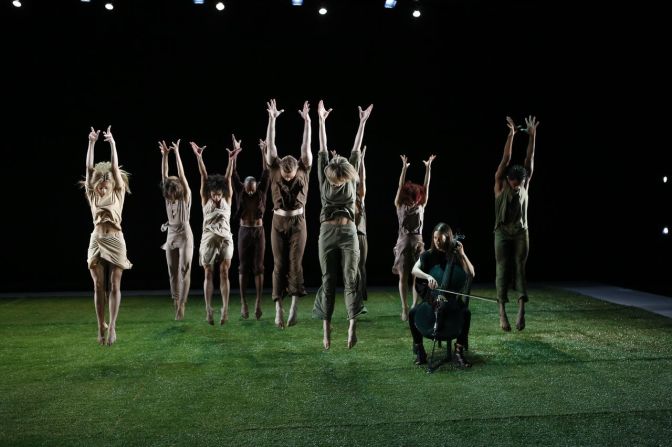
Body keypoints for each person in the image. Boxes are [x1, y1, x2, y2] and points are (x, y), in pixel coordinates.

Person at [312, 100, 373, 349]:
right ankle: (326, 330)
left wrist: (362, 122)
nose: (337, 183)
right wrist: (321, 120)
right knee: (328, 280)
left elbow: (356, 149)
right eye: (334, 181)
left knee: (351, 279)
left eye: (340, 181)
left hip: (349, 232)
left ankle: (352, 326)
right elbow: (322, 148)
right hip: (327, 232)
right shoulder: (324, 174)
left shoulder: (350, 176)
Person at [82, 126, 132, 345]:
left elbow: (114, 166)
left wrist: (112, 142)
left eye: (106, 183)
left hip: (116, 239)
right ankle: (100, 326)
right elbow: (88, 168)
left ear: (112, 182)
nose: (103, 187)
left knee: (115, 283)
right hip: (97, 239)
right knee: (98, 285)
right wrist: (91, 142)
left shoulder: (118, 193)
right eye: (99, 184)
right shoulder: (92, 195)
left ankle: (112, 327)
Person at [264, 99, 312, 329]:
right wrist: (272, 119)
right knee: (279, 264)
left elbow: (306, 146)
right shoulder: (275, 166)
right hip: (278, 220)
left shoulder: (303, 167)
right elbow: (271, 145)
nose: (288, 178)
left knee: (295, 263)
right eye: (285, 176)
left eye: (290, 176)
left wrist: (307, 122)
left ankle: (293, 306)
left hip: (298, 221)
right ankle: (278, 309)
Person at [494, 115, 539, 332]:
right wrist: (511, 135)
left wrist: (532, 136)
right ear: (508, 181)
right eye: (514, 184)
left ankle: (521, 312)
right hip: (502, 231)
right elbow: (506, 158)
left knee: (520, 268)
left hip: (521, 231)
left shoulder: (524, 182)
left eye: (519, 185)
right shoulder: (500, 184)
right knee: (502, 269)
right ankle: (502, 313)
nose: (516, 187)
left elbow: (529, 158)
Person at [410, 222, 475, 366]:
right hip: (432, 298)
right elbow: (414, 270)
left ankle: (458, 351)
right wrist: (428, 276)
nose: (437, 242)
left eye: (440, 239)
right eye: (435, 238)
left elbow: (471, 273)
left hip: (451, 300)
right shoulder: (429, 254)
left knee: (466, 313)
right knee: (413, 313)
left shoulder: (456, 254)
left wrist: (462, 254)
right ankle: (420, 351)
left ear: (448, 238)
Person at [190, 136, 239, 325]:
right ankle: (208, 309)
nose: (217, 196)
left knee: (224, 271)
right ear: (210, 192)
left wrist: (231, 160)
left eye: (219, 194)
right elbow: (203, 176)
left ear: (222, 192)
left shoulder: (227, 198)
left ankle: (225, 309)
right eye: (214, 194)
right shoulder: (205, 199)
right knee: (208, 272)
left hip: (225, 237)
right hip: (208, 237)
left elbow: (228, 178)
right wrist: (199, 157)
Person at [393, 153, 436, 321]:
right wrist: (404, 169)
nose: (413, 200)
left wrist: (428, 168)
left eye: (415, 197)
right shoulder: (400, 204)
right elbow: (400, 186)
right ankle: (405, 307)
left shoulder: (421, 205)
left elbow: (426, 186)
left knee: (416, 276)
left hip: (417, 242)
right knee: (404, 277)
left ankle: (413, 306)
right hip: (404, 242)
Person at [230, 138, 270, 320]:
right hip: (244, 231)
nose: (251, 192)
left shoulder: (261, 190)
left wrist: (263, 151)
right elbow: (233, 174)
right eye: (249, 189)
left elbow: (266, 172)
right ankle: (243, 303)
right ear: (244, 187)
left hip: (259, 231)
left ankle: (258, 302)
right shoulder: (240, 190)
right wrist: (234, 154)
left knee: (259, 267)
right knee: (243, 267)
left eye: (253, 189)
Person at [159, 139, 194, 321]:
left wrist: (177, 152)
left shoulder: (185, 196)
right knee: (172, 270)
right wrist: (165, 155)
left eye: (173, 189)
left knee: (184, 269)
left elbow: (182, 174)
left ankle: (182, 304)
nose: (171, 193)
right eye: (169, 190)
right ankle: (175, 299)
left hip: (185, 233)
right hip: (171, 233)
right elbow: (164, 175)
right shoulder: (167, 197)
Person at [354, 145, 368, 303]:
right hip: (349, 236)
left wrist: (362, 160)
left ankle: (361, 295)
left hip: (361, 235)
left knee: (361, 266)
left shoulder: (360, 198)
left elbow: (362, 179)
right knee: (351, 268)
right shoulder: (345, 199)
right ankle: (353, 295)